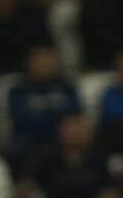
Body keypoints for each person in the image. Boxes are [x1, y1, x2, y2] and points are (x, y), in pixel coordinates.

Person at [29, 113, 111, 198]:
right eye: (71, 129)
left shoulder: (99, 162)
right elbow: (29, 191)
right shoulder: (46, 161)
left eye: (80, 129)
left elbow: (110, 196)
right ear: (60, 131)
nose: (76, 134)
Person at [6, 44, 80, 173]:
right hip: (30, 145)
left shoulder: (67, 89)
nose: (45, 64)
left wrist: (41, 116)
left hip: (62, 144)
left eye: (48, 58)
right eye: (40, 59)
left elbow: (74, 117)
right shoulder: (18, 91)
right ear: (29, 63)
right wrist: (54, 118)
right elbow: (21, 120)